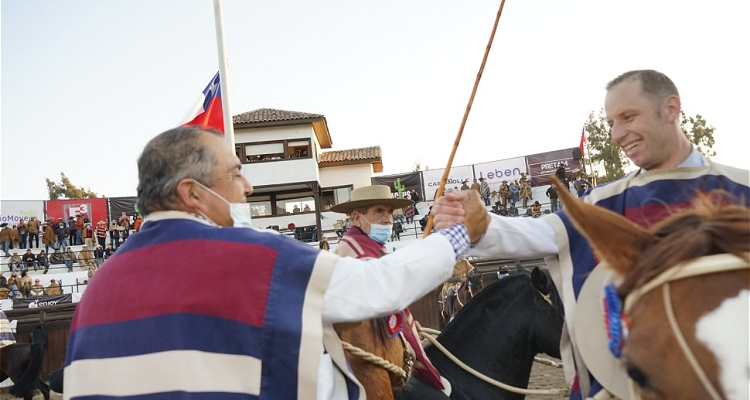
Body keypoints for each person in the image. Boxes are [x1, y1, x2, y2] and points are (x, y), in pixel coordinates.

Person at [63, 126, 489, 400]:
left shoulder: (97, 287)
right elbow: (379, 288)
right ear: (192, 194)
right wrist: (460, 233)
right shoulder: (250, 255)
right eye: (235, 174)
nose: (248, 186)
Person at [432, 69, 750, 400]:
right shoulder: (602, 202)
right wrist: (483, 223)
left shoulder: (743, 187)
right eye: (611, 123)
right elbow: (542, 233)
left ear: (671, 109)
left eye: (628, 117)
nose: (617, 133)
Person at [330, 185, 450, 394]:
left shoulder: (363, 245)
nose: (388, 219)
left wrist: (407, 323)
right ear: (358, 218)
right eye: (379, 211)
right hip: (363, 359)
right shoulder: (358, 253)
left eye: (390, 212)